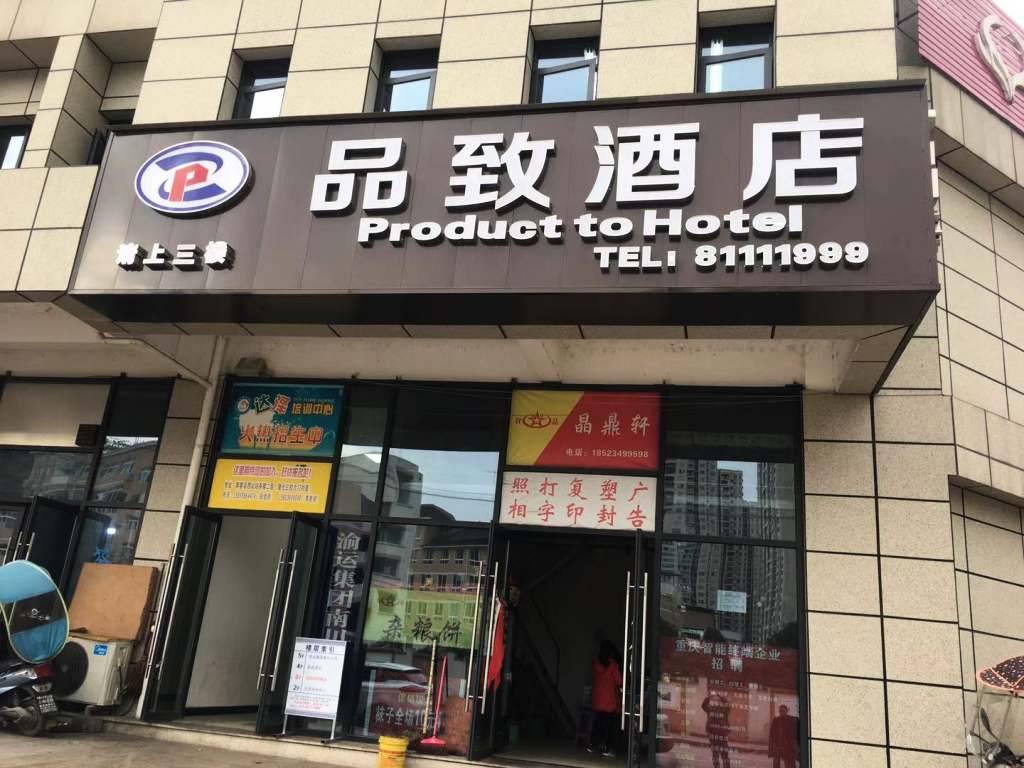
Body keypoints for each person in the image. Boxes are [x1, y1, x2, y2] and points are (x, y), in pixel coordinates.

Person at [589, 640, 623, 757]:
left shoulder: (595, 664)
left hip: (598, 700)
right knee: (609, 726)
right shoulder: (613, 666)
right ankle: (607, 748)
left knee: (598, 723)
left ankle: (593, 744)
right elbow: (619, 681)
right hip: (609, 702)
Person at [702, 691, 731, 768]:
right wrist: (709, 697)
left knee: (724, 754)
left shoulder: (724, 709)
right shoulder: (711, 709)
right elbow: (703, 705)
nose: (716, 702)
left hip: (722, 735)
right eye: (715, 700)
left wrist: (720, 696)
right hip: (713, 735)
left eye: (718, 700)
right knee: (715, 754)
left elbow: (728, 705)